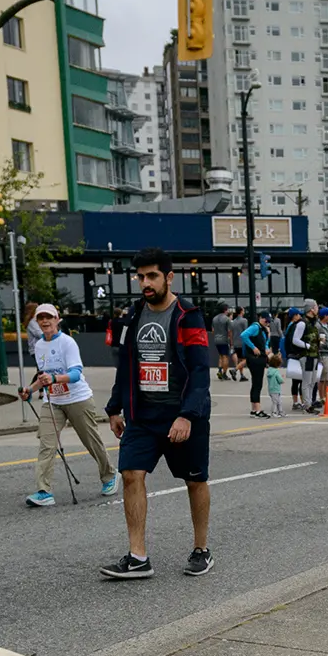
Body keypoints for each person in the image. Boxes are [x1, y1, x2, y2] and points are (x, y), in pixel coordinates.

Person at [101, 248, 213, 580]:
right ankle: (138, 557)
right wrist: (114, 408)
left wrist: (188, 415)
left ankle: (201, 549)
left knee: (195, 480)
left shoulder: (188, 315)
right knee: (131, 475)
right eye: (140, 277)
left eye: (152, 276)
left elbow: (199, 371)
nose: (145, 283)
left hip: (182, 415)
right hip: (143, 416)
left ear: (168, 277)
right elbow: (126, 367)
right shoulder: (133, 317)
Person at [23, 304, 117, 508]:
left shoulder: (68, 343)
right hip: (53, 401)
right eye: (41, 318)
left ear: (57, 320)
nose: (45, 321)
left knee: (90, 441)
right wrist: (30, 389)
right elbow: (43, 377)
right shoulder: (39, 345)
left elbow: (75, 374)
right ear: (37, 322)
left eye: (49, 317)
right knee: (47, 445)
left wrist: (55, 378)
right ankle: (44, 491)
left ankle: (110, 475)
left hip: (77, 399)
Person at [287, 302, 323, 415]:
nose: (317, 309)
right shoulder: (302, 323)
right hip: (306, 356)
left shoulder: (313, 323)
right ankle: (307, 405)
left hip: (314, 355)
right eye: (316, 307)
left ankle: (310, 403)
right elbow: (295, 339)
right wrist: (307, 346)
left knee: (313, 381)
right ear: (311, 309)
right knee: (307, 381)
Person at [239, 311, 275, 417]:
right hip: (255, 359)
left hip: (260, 358)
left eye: (269, 321)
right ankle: (258, 409)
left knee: (256, 383)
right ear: (261, 318)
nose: (268, 323)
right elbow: (243, 335)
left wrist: (266, 347)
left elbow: (265, 342)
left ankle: (254, 409)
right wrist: (253, 347)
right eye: (266, 320)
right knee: (257, 383)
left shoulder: (263, 329)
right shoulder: (255, 327)